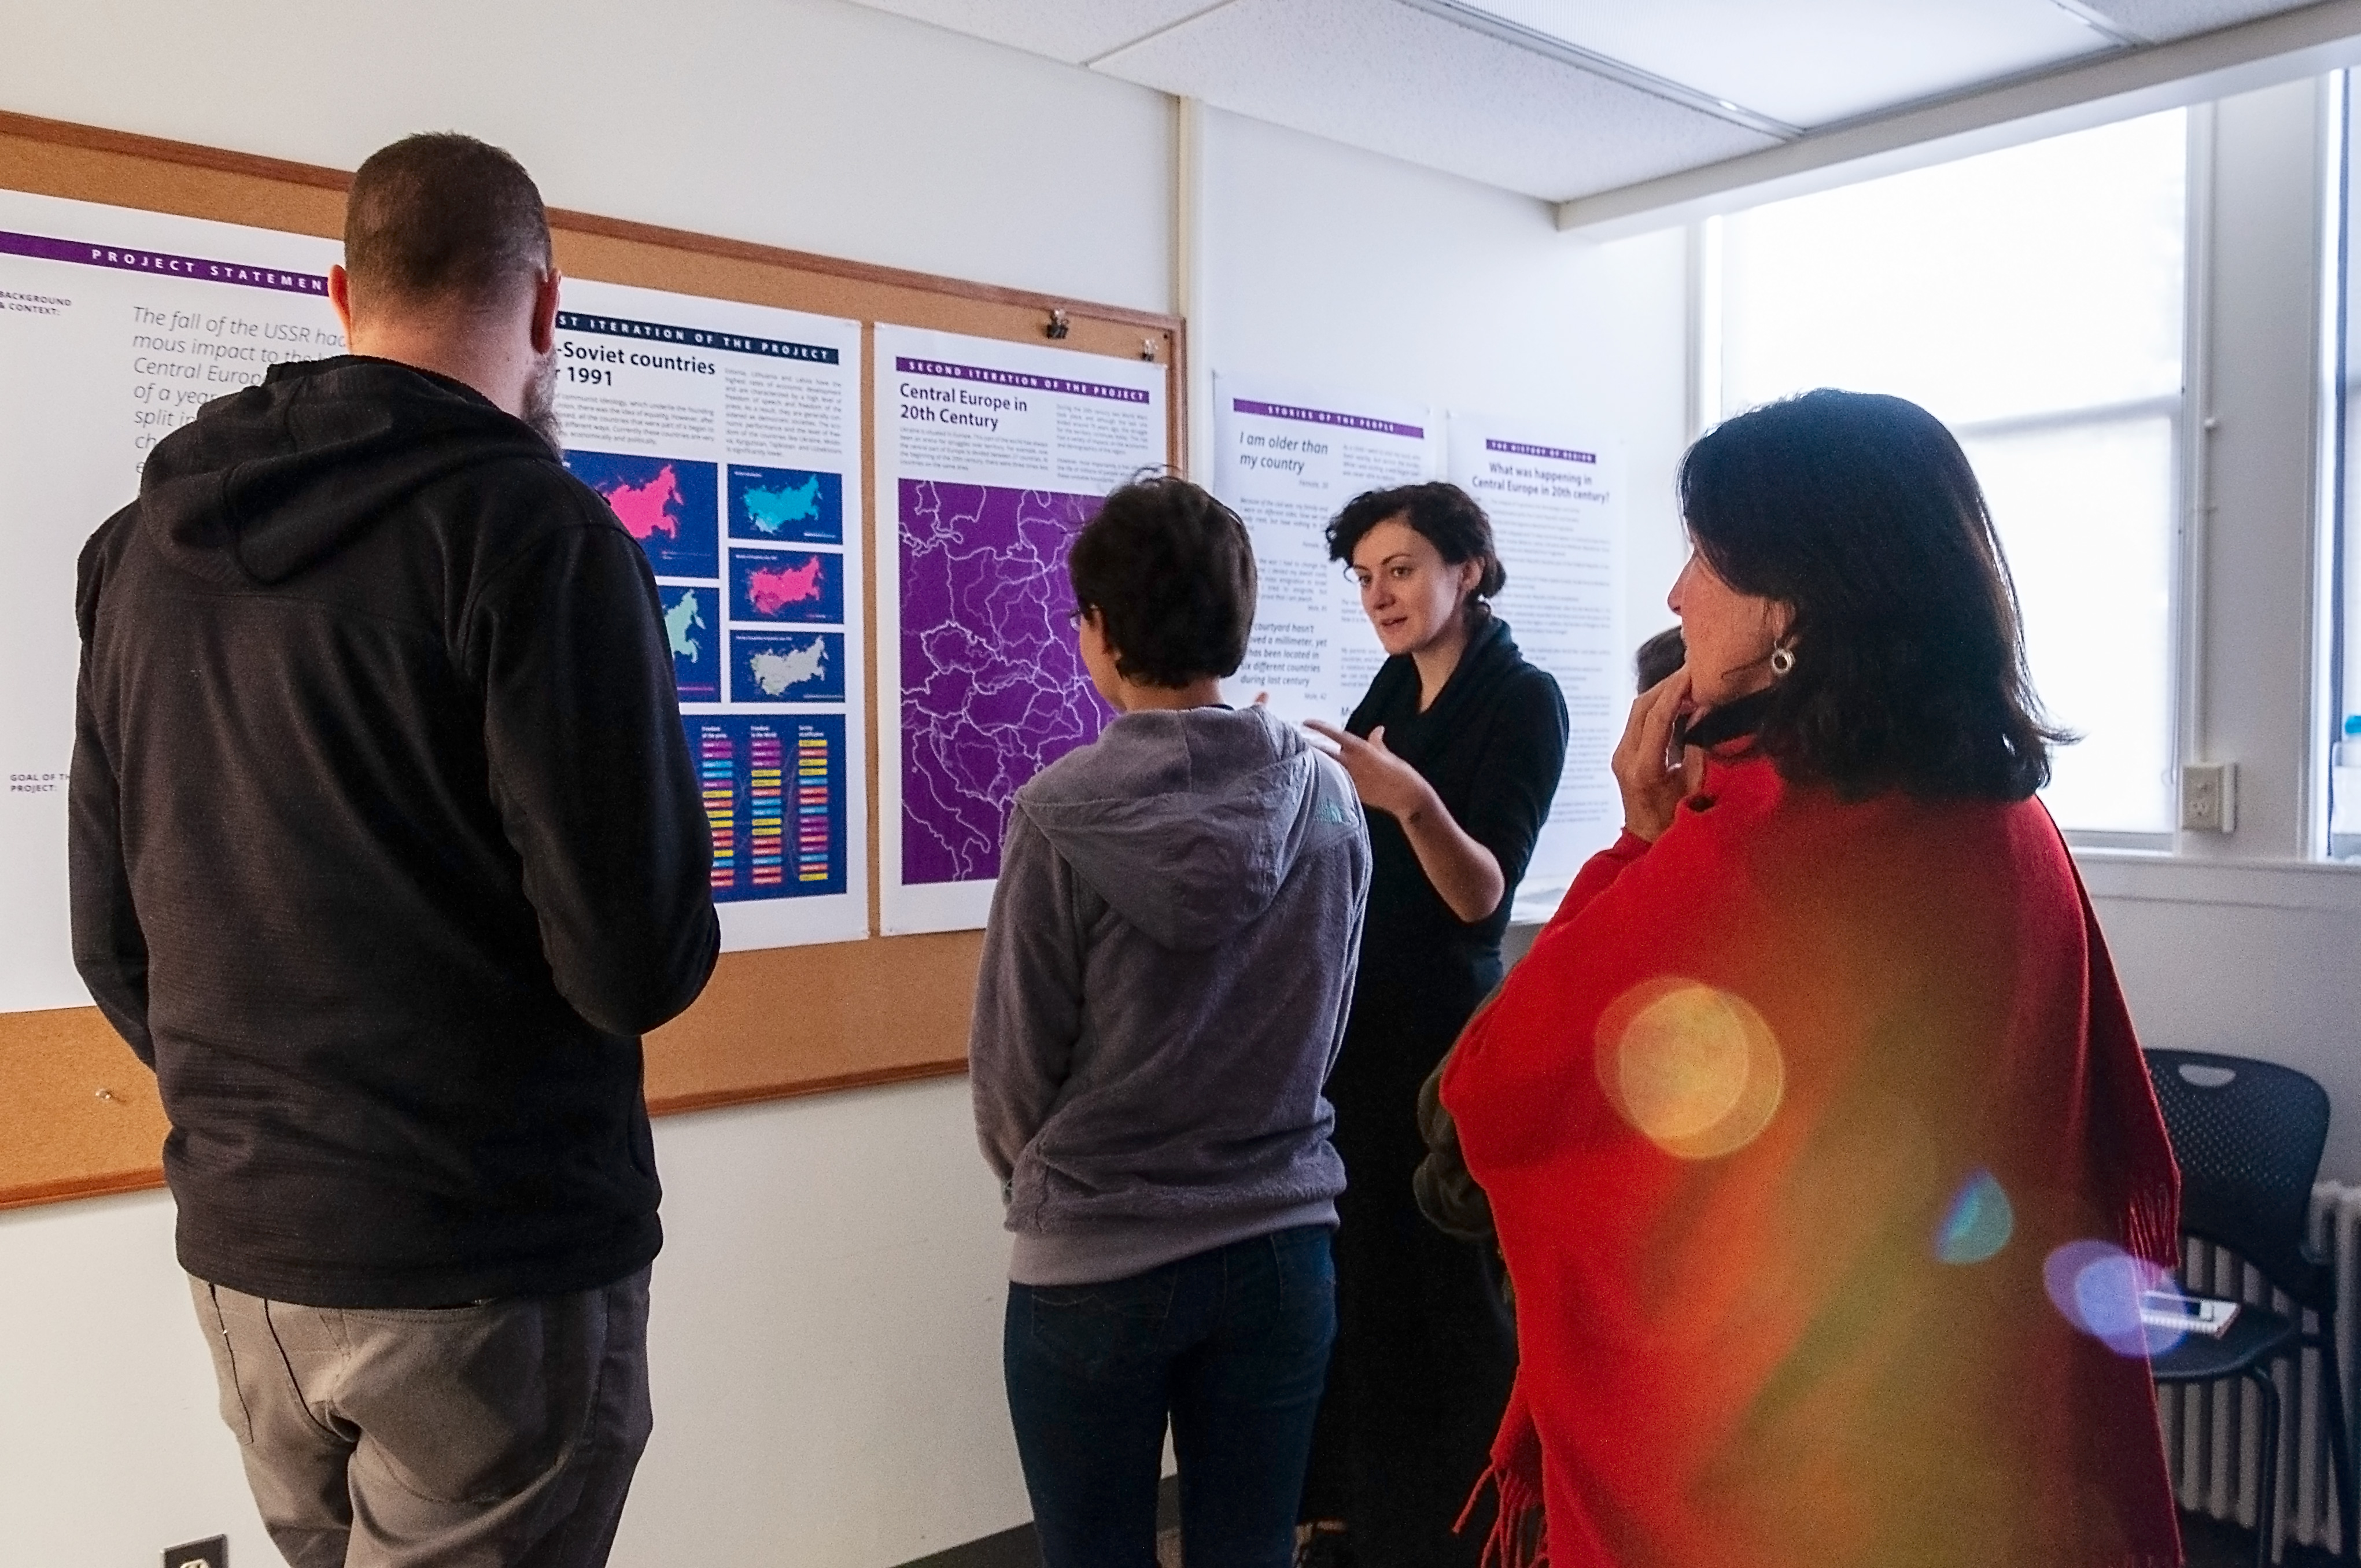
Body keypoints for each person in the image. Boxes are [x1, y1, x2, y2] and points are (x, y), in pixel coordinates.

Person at [69, 132, 718, 1568]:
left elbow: (112, 939)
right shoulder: (539, 536)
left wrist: (281, 1120)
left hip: (250, 1266)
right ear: (546, 304)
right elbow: (634, 966)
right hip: (484, 1267)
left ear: (341, 293)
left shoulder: (135, 550)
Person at [1437, 389, 2181, 1567]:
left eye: (1702, 557)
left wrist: (1637, 842)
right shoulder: (2003, 815)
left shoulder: (1769, 844)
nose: (1676, 594)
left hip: (1786, 1464)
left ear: (1791, 604)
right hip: (1972, 1424)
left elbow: (1494, 1082)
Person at [970, 475, 1372, 1568]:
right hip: (1282, 1244)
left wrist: (1051, 1184)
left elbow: (1013, 1066)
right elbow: (1327, 1020)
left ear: (1100, 629)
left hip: (1093, 1258)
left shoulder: (1058, 814)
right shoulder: (1329, 799)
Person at [1298, 482, 1568, 1568]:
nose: (1379, 596)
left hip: (1441, 1032)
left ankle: (1471, 1533)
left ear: (1469, 569)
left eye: (1400, 570)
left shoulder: (1523, 698)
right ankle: (1364, 1522)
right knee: (1362, 1277)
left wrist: (1410, 800)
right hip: (1360, 1021)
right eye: (1365, 578)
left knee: (1444, 1287)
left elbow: (1481, 900)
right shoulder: (1392, 688)